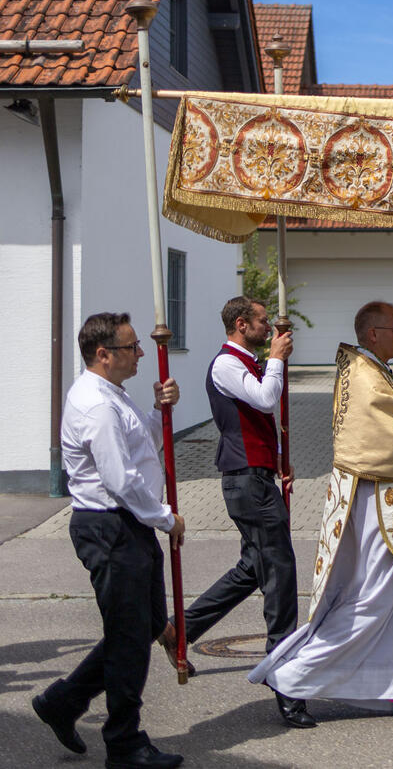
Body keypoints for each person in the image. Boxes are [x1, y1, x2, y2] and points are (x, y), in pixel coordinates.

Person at [248, 301, 393, 719]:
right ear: (374, 334)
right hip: (383, 509)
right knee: (372, 601)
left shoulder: (374, 371)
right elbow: (391, 434)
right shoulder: (361, 374)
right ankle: (290, 676)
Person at [32, 313, 185, 769]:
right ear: (103, 354)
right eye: (131, 347)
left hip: (127, 525)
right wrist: (165, 519)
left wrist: (158, 412)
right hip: (110, 527)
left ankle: (62, 701)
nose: (140, 353)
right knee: (128, 640)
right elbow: (119, 479)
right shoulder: (96, 404)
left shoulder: (113, 394)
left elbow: (141, 449)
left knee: (142, 627)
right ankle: (124, 744)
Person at [158, 297, 313, 728]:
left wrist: (277, 458)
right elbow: (264, 400)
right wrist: (277, 359)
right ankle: (283, 675)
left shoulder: (247, 362)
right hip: (246, 481)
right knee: (279, 573)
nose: (269, 328)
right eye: (263, 322)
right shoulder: (226, 364)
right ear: (241, 325)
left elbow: (261, 419)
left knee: (252, 569)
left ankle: (180, 629)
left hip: (256, 476)